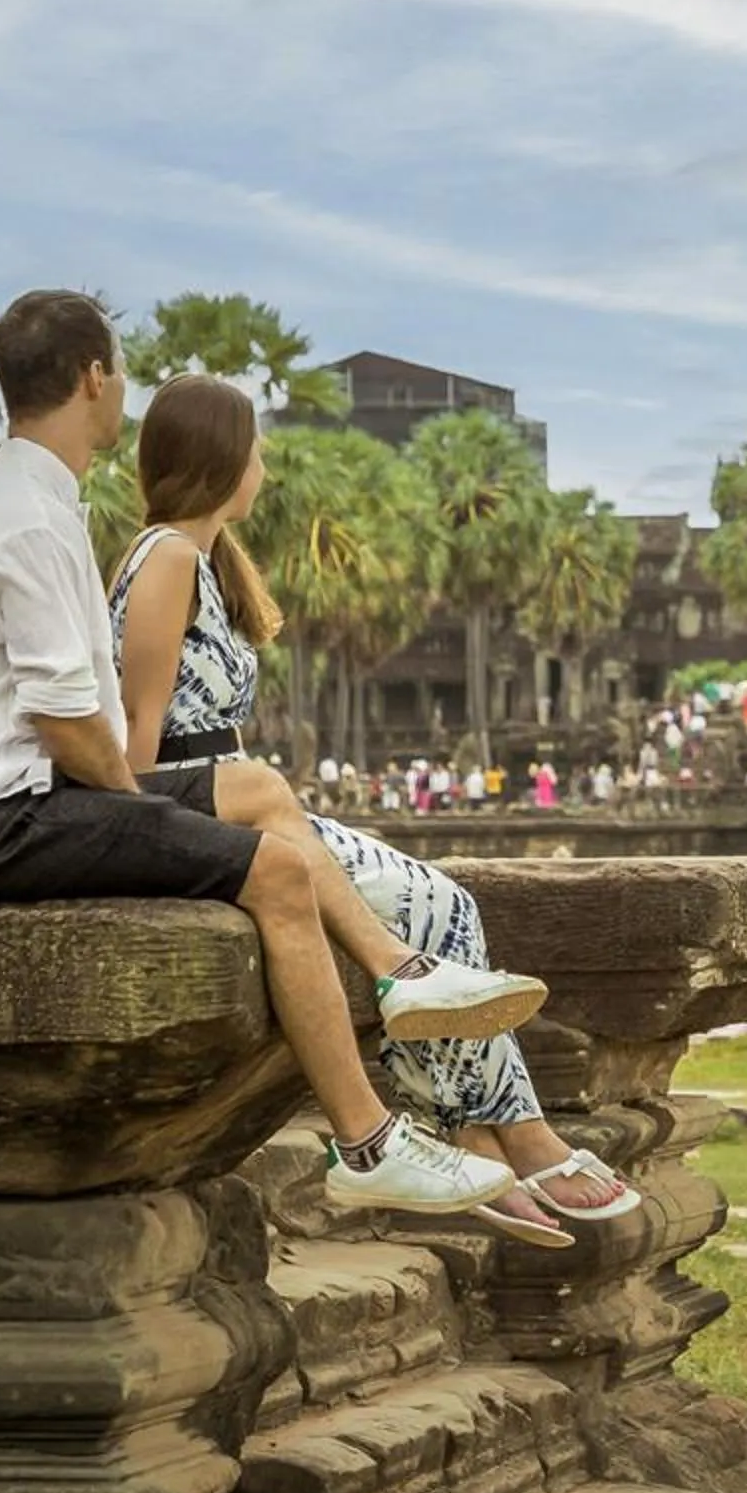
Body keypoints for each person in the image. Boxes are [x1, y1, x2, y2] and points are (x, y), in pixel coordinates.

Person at [0, 293, 521, 1220]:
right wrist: (138, 811)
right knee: (273, 874)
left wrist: (142, 801)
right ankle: (369, 1140)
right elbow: (69, 724)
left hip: (30, 797)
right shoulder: (28, 518)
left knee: (261, 789)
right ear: (92, 378)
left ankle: (401, 976)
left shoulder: (34, 501)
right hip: (3, 821)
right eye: (120, 375)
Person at [111, 370, 637, 1248]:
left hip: (244, 802)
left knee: (447, 905)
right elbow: (139, 729)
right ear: (221, 457)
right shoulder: (165, 555)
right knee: (440, 907)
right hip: (206, 814)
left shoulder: (203, 560)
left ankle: (478, 1136)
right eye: (255, 449)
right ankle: (519, 1136)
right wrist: (137, 843)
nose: (266, 466)